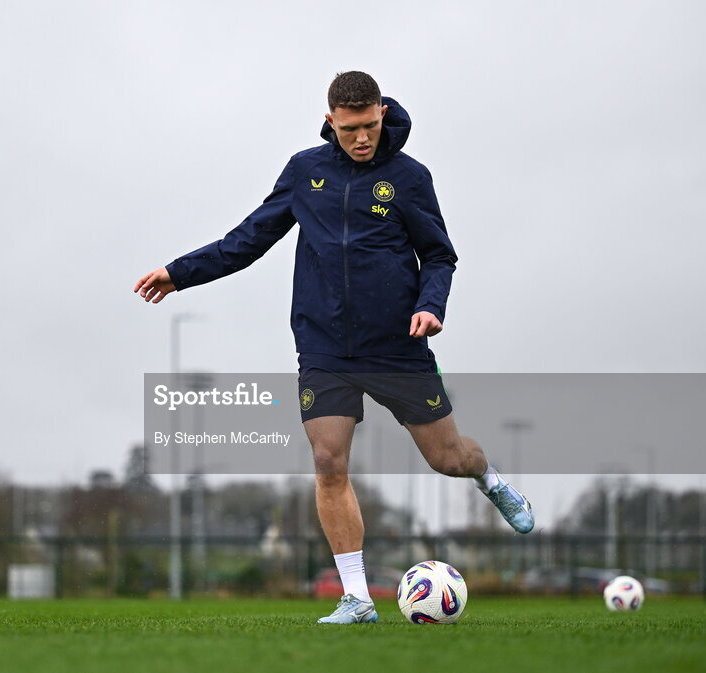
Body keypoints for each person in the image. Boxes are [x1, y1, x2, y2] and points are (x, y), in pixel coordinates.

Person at [134, 71, 534, 624]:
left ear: (382, 115)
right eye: (351, 129)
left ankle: (490, 478)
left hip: (398, 344)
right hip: (324, 347)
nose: (363, 139)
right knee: (327, 461)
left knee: (448, 460)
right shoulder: (306, 172)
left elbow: (439, 254)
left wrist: (431, 305)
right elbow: (247, 240)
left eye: (370, 126)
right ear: (331, 121)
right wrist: (179, 273)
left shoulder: (410, 178)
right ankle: (357, 597)